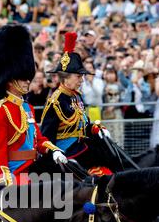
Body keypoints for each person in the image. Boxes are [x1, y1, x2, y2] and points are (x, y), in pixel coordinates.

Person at [0, 23, 67, 192]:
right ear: (9, 79)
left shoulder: (27, 108)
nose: (28, 80)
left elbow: (38, 139)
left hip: (33, 171)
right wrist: (5, 180)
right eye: (22, 77)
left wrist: (54, 150)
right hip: (14, 175)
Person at [41, 32, 118, 176]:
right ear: (65, 78)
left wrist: (96, 129)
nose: (82, 80)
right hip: (67, 153)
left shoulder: (76, 97)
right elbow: (46, 136)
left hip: (80, 146)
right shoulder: (55, 102)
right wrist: (54, 153)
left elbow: (84, 124)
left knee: (112, 153)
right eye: (78, 76)